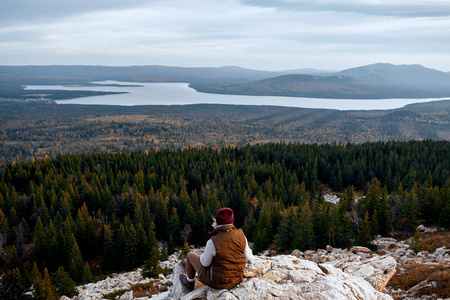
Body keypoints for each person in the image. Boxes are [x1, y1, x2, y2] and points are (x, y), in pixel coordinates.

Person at [179, 207, 253, 291]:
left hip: (219, 282)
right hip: (236, 279)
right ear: (232, 221)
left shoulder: (213, 241)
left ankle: (189, 282)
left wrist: (203, 255)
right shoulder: (241, 235)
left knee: (190, 255)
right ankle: (191, 267)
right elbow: (247, 257)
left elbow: (205, 263)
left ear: (217, 222)